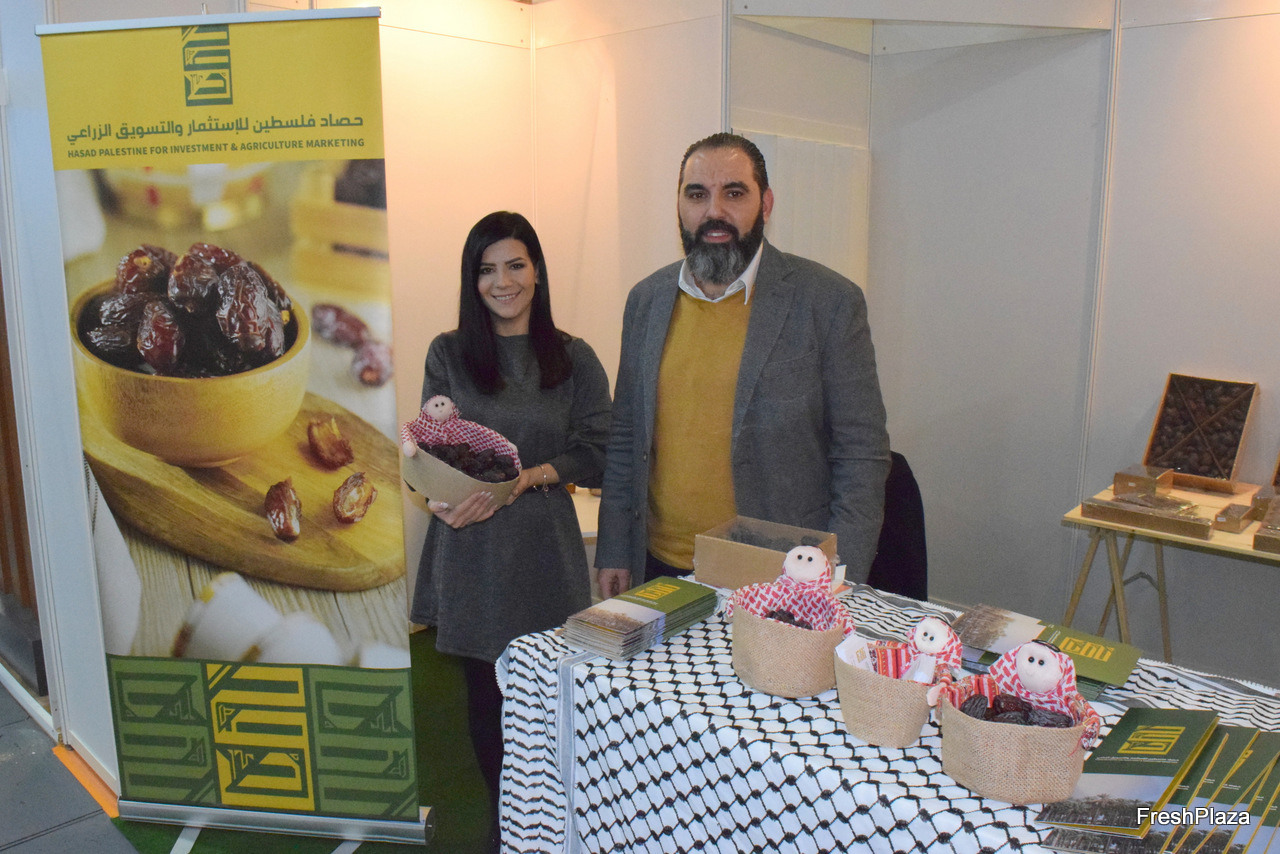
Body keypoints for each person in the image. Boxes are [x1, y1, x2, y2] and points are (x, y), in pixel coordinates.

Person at [595, 132, 890, 598]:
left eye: (734, 193)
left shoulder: (828, 301)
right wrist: (614, 547)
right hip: (658, 564)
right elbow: (626, 436)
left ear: (765, 204)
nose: (714, 211)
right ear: (679, 205)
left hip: (779, 574)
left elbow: (861, 455)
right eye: (697, 195)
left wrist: (838, 577)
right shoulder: (646, 301)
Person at [406, 211, 611, 845]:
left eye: (516, 265)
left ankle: (556, 828)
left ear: (537, 271)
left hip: (544, 551)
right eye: (487, 269)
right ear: (472, 281)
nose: (503, 282)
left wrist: (529, 477)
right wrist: (439, 496)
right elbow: (429, 445)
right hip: (472, 549)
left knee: (551, 702)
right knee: (486, 704)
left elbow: (599, 448)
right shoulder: (449, 352)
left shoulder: (573, 358)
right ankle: (506, 828)